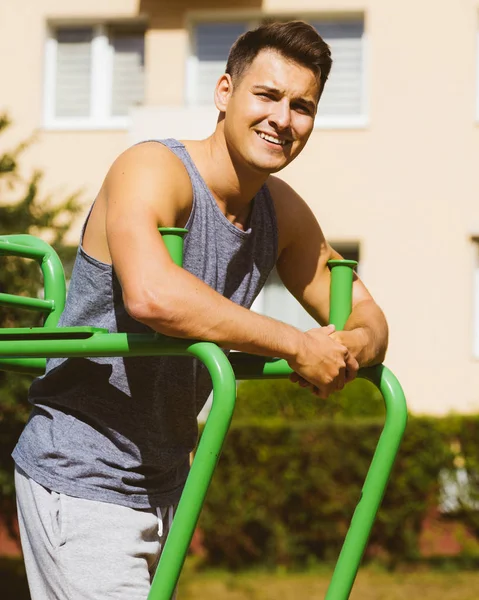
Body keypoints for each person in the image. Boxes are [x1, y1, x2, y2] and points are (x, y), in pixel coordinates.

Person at [13, 20, 388, 600]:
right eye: (266, 95)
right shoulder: (152, 169)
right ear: (224, 92)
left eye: (302, 106)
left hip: (166, 483)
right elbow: (154, 294)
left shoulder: (281, 212)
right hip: (81, 473)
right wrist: (296, 344)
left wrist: (344, 352)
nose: (282, 119)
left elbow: (368, 316)